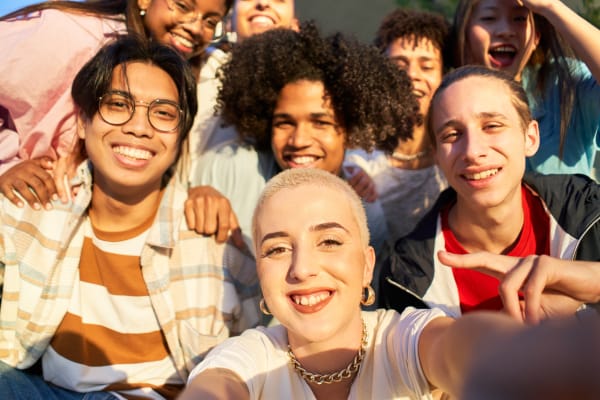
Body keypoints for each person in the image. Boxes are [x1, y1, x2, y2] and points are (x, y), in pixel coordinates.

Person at [179, 167, 587, 400]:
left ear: (366, 265)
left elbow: (460, 348)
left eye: (330, 241)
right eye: (277, 249)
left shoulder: (401, 340)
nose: (302, 268)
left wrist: (540, 351)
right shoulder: (247, 358)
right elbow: (216, 389)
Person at [0, 35, 259, 399]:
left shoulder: (215, 240)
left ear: (181, 136)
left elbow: (262, 353)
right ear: (82, 122)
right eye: (119, 105)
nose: (140, 127)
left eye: (164, 113)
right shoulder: (31, 213)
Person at [381, 65, 600, 317]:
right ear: (437, 157)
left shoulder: (589, 211)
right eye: (452, 135)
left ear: (530, 137)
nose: (473, 151)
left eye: (492, 126)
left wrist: (592, 288)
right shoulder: (404, 277)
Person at [189, 22, 418, 263]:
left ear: (350, 131)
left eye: (320, 123)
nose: (299, 140)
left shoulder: (365, 212)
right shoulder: (227, 168)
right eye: (284, 123)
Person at [0, 0, 232, 210]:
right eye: (182, 6)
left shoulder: (176, 74)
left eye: (210, 21)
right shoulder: (72, 33)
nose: (195, 27)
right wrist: (5, 165)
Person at [451, 0, 600, 178]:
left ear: (536, 37)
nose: (505, 31)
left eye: (519, 19)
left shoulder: (566, 83)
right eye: (489, 18)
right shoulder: (447, 100)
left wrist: (551, 7)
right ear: (465, 32)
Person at [344, 8, 449, 244]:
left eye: (427, 66)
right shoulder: (356, 158)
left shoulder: (458, 153)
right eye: (399, 65)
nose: (412, 75)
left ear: (444, 76)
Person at [188, 0, 298, 167]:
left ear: (294, 24)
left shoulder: (311, 81)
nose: (263, 3)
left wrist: (352, 166)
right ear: (228, 23)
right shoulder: (199, 68)